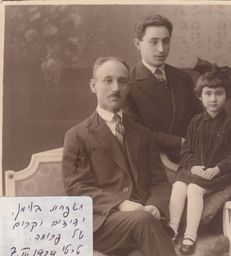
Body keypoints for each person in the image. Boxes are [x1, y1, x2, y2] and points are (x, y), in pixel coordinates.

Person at [62, 57, 176, 256]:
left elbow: (159, 182)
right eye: (108, 80)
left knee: (144, 224)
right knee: (143, 221)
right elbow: (77, 188)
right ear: (93, 86)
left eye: (122, 81)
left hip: (142, 221)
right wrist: (121, 204)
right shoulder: (77, 136)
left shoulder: (143, 134)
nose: (116, 88)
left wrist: (154, 206)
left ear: (128, 87)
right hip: (102, 225)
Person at [168, 65, 231, 254]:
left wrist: (217, 169)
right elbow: (186, 151)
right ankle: (172, 230)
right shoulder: (195, 122)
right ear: (200, 97)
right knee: (178, 186)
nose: (213, 99)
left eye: (219, 94)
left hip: (219, 173)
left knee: (193, 189)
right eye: (208, 94)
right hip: (196, 171)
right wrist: (193, 167)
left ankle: (189, 237)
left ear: (227, 95)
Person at [125, 14, 202, 161]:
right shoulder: (128, 83)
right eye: (154, 42)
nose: (161, 49)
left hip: (189, 158)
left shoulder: (183, 78)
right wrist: (179, 143)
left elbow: (197, 119)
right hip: (149, 161)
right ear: (137, 44)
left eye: (166, 41)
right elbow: (136, 132)